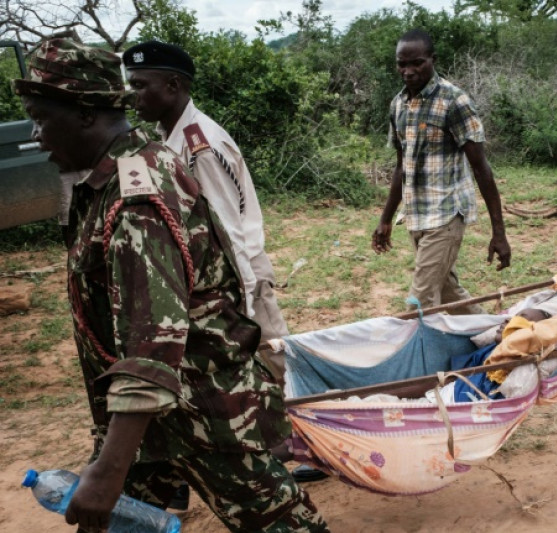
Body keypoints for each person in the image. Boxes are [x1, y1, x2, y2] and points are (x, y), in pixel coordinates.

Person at [12, 36, 329, 532]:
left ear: (85, 113)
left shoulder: (137, 195)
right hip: (148, 414)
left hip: (199, 412)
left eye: (41, 118)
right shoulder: (116, 176)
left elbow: (152, 342)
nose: (36, 134)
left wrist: (108, 472)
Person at [122, 41, 290, 383]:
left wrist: (242, 305)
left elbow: (229, 230)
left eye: (139, 85)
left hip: (241, 278)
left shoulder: (201, 146)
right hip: (214, 281)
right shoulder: (168, 137)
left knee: (276, 364)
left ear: (173, 85)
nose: (132, 96)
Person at [372, 29, 511, 314]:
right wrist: (385, 219)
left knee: (418, 303)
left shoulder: (454, 101)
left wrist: (499, 232)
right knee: (448, 293)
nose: (408, 71)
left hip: (446, 214)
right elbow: (401, 166)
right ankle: (490, 332)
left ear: (433, 59)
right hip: (417, 214)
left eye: (417, 63)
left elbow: (482, 169)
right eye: (402, 64)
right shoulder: (398, 104)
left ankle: (423, 346)